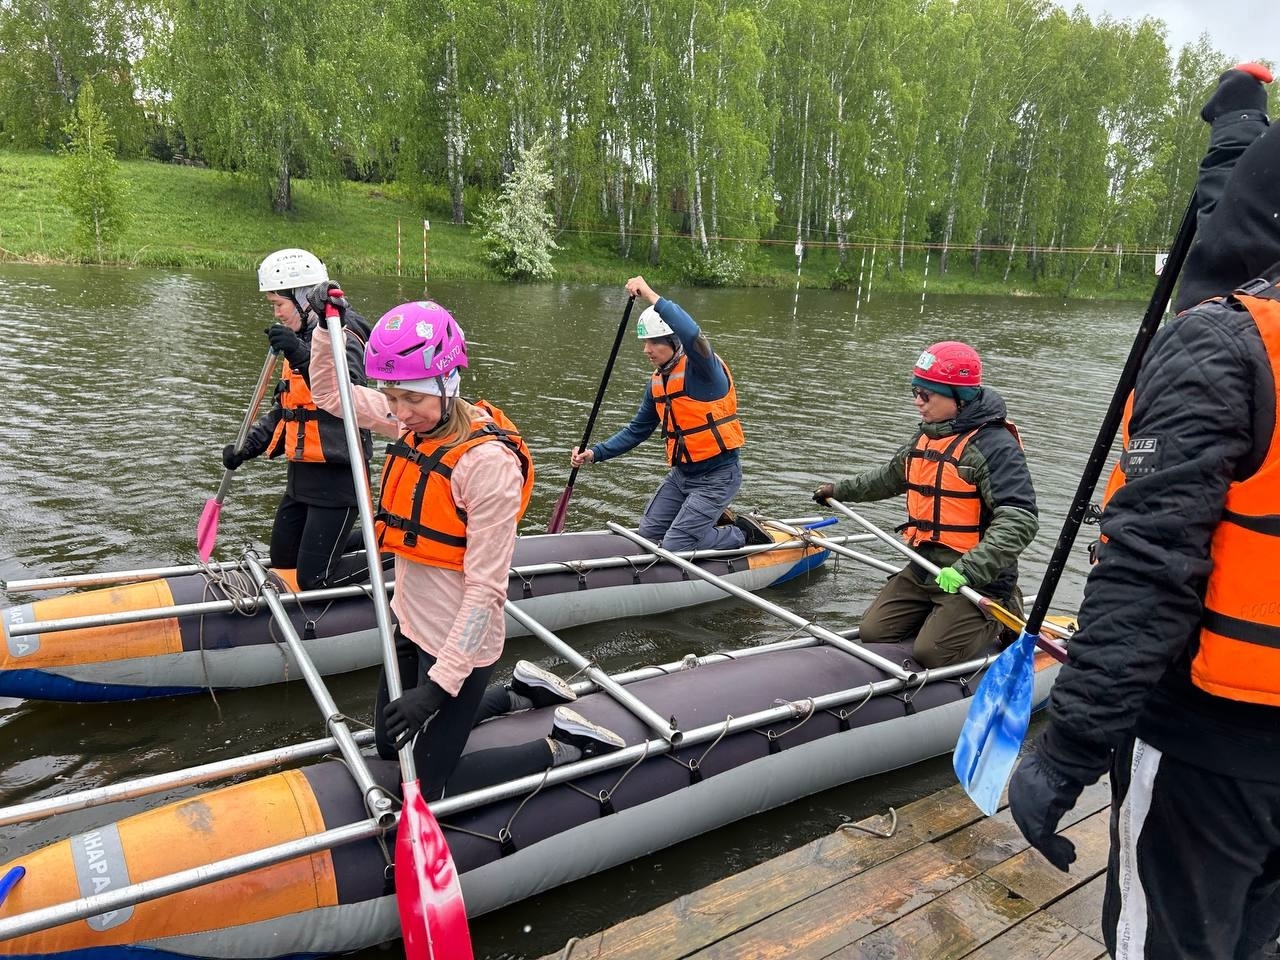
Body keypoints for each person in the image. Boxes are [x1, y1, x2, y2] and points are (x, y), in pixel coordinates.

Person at [1008, 63, 1280, 960]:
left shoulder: (1223, 343)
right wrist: (1239, 122)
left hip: (1209, 740)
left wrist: (1064, 751)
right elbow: (1237, 216)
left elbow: (1152, 572)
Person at [309, 297, 626, 799]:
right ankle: (517, 695)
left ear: (445, 383)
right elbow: (331, 394)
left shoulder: (487, 467)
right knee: (392, 749)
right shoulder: (413, 424)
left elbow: (485, 592)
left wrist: (437, 688)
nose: (399, 411)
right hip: (411, 624)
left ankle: (563, 744)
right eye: (391, 396)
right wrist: (325, 329)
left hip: (463, 646)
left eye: (411, 397)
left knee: (432, 790)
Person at [811, 341, 1038, 668]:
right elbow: (887, 478)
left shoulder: (995, 447)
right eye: (914, 390)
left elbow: (1020, 520)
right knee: (873, 631)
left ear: (958, 396)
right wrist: (838, 490)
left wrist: (969, 570)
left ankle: (1000, 615)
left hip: (975, 575)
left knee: (930, 653)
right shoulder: (927, 436)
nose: (917, 401)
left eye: (926, 394)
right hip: (925, 565)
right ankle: (942, 616)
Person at [568, 275, 771, 550]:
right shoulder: (657, 383)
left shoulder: (704, 371)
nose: (646, 350)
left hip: (718, 476)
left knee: (676, 545)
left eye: (653, 342)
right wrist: (594, 453)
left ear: (674, 342)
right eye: (644, 342)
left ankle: (741, 533)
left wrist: (650, 294)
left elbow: (692, 333)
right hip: (682, 475)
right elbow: (636, 431)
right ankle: (707, 522)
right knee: (648, 534)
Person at [219, 248, 373, 590]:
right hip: (302, 477)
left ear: (304, 299)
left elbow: (352, 393)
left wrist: (301, 353)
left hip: (338, 478)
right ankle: (371, 535)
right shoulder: (300, 338)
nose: (276, 313)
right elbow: (288, 410)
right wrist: (247, 447)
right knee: (284, 558)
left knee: (313, 579)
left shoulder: (343, 334)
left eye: (279, 304)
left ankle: (393, 552)